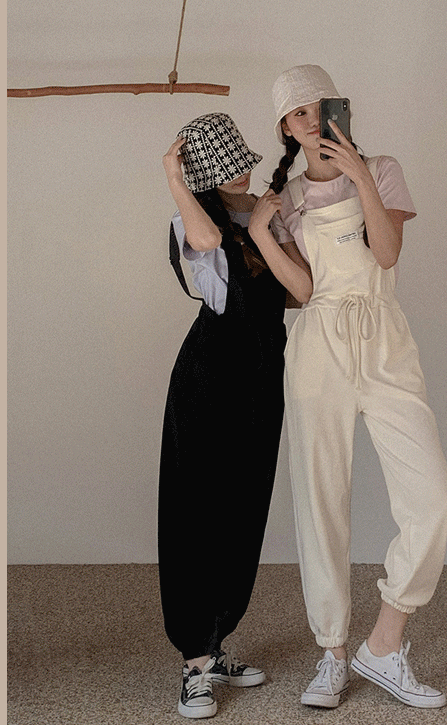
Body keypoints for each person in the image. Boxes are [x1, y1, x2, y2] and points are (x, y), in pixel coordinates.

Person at [247, 65, 447, 710]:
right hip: (319, 344)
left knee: (432, 498)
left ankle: (384, 643)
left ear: (340, 109)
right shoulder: (286, 200)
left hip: (384, 337)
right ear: (285, 128)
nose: (312, 120)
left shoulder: (383, 169)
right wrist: (260, 233)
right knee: (321, 500)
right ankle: (332, 652)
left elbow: (386, 253)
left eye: (321, 106)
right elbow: (304, 291)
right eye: (298, 113)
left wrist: (360, 175)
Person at [158, 113, 287, 719]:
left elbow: (297, 290)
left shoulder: (263, 214)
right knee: (197, 513)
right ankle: (193, 662)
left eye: (241, 160)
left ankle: (215, 644)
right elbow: (208, 242)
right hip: (208, 380)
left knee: (244, 509)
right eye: (225, 165)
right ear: (204, 173)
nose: (239, 172)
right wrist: (173, 175)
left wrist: (265, 226)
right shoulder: (192, 219)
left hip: (262, 377)